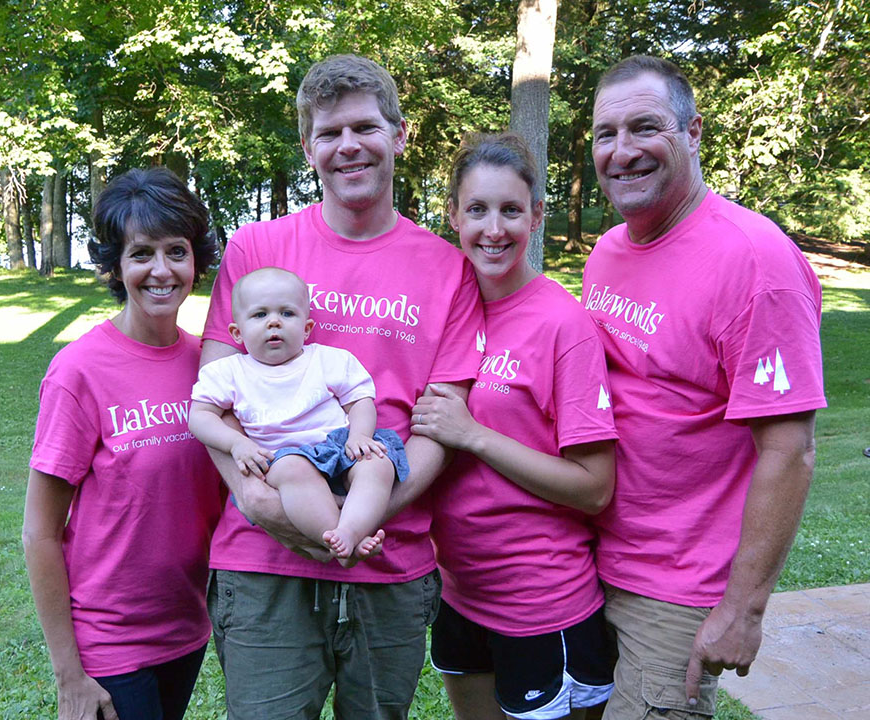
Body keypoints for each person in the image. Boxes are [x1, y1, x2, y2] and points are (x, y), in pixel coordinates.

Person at [200, 54, 484, 719]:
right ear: (308, 148)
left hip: (391, 565)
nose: (348, 146)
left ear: (400, 135)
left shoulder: (449, 269)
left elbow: (442, 423)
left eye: (364, 127)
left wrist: (362, 520)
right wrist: (259, 500)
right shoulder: (255, 250)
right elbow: (213, 395)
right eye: (329, 133)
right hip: (265, 565)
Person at [583, 55, 826, 718]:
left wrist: (744, 608)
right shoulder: (608, 251)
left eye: (644, 128)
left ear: (693, 134)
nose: (622, 151)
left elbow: (790, 451)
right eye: (606, 134)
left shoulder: (755, 262)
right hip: (587, 561)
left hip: (676, 587)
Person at [410, 133, 618, 720]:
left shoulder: (562, 323)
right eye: (477, 209)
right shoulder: (445, 309)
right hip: (461, 594)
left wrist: (474, 433)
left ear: (536, 215)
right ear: (453, 215)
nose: (493, 228)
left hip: (542, 602)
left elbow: (595, 486)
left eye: (510, 210)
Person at [22, 167, 223, 720]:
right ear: (116, 265)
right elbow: (40, 530)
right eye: (141, 253)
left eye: (176, 251)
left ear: (197, 259)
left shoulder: (210, 365)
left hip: (186, 629)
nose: (161, 270)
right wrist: (69, 674)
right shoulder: (79, 371)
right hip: (108, 644)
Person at [189, 266, 409, 565]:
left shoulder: (328, 360)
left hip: (339, 444)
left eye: (288, 314)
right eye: (260, 315)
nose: (274, 322)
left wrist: (360, 435)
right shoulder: (229, 372)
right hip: (283, 455)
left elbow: (360, 400)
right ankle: (334, 540)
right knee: (294, 472)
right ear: (237, 332)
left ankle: (352, 529)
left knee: (377, 463)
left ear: (306, 329)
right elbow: (200, 416)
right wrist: (235, 443)